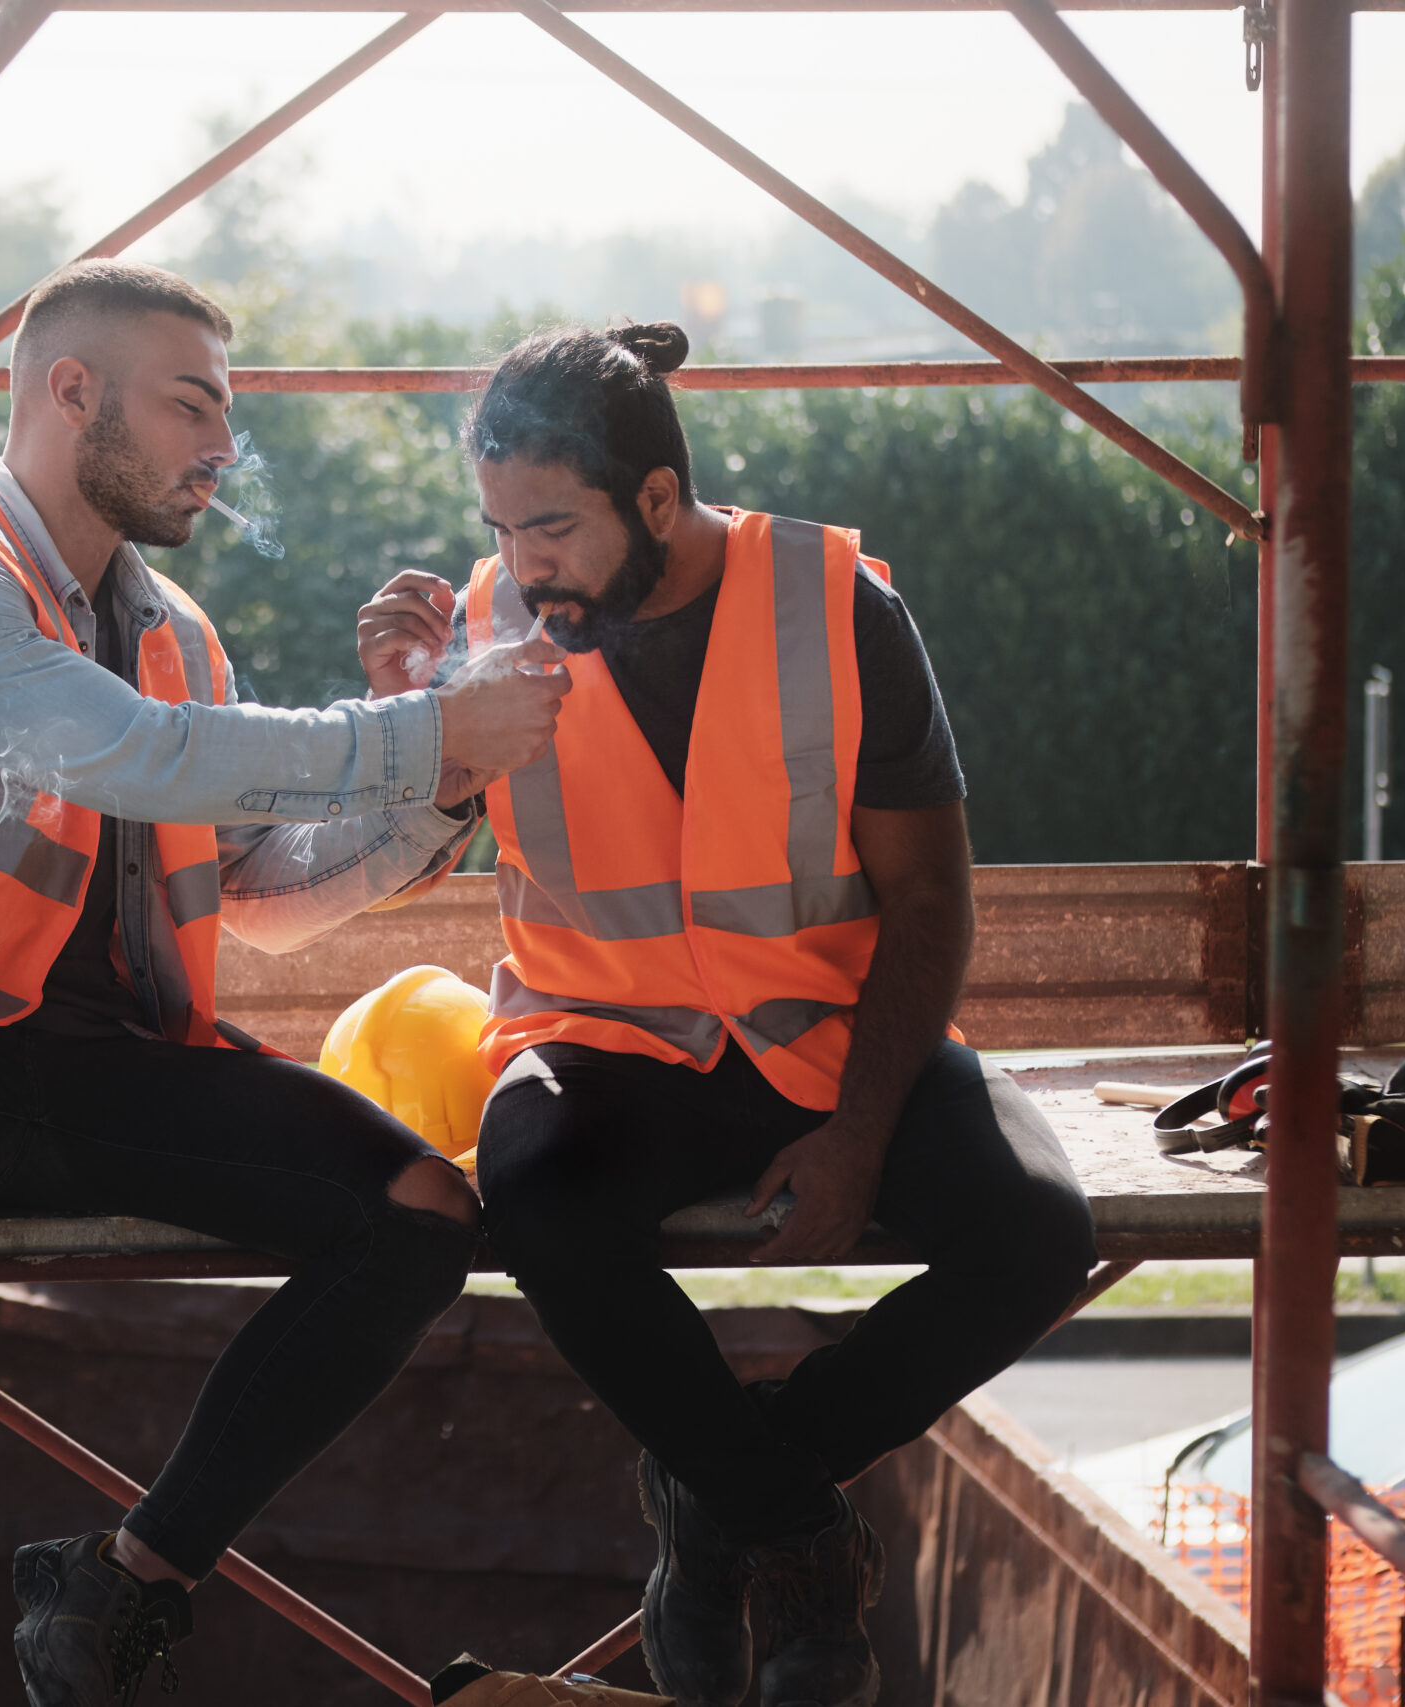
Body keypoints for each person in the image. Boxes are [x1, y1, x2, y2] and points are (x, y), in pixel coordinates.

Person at [0, 260, 570, 1703]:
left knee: (421, 1212)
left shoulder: (176, 634)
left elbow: (270, 898)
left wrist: (446, 778)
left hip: (98, 1078)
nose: (224, 449)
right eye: (193, 406)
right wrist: (415, 727)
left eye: (226, 415)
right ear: (69, 392)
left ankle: (131, 1577)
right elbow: (129, 755)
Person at [358, 323, 1097, 1707]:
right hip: (604, 1045)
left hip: (831, 1038)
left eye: (554, 526)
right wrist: (404, 719)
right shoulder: (480, 633)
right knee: (529, 1201)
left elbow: (930, 901)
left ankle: (718, 1493)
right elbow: (394, 856)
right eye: (502, 527)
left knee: (1040, 1231)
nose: (525, 564)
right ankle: (799, 1539)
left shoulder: (840, 608)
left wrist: (864, 1133)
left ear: (654, 500)